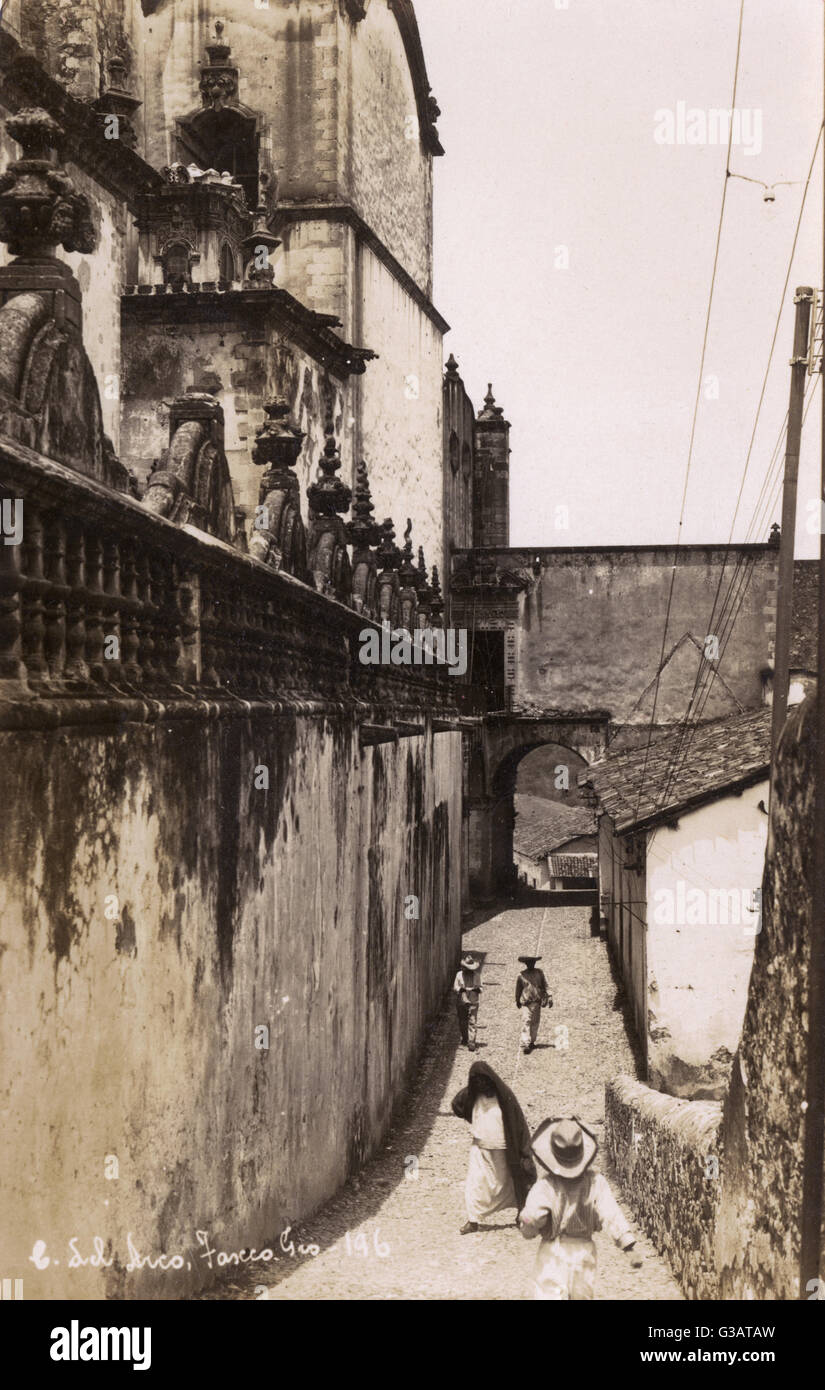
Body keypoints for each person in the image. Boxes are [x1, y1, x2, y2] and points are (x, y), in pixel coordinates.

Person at [518, 1116, 643, 1299]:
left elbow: (531, 1218)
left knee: (548, 1294)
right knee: (582, 1295)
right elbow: (610, 1213)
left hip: (553, 1251)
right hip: (584, 1251)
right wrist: (627, 1245)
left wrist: (527, 1224)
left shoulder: (545, 1186)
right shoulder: (595, 1182)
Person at [451, 1061, 537, 1235]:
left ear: (491, 1080)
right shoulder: (472, 1096)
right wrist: (471, 1117)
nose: (482, 1085)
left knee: (511, 1183)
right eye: (477, 1082)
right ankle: (473, 1220)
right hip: (480, 1149)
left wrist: (525, 1151)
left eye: (485, 1081)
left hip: (505, 1149)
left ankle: (522, 1214)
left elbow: (519, 1125)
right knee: (475, 1184)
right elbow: (457, 1104)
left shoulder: (505, 1097)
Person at [515, 955, 551, 1054]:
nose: (531, 964)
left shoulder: (539, 973)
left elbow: (545, 984)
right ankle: (525, 1043)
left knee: (535, 1022)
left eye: (533, 962)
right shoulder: (521, 975)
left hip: (537, 1002)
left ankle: (532, 1041)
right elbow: (518, 989)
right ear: (526, 964)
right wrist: (517, 1000)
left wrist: (549, 996)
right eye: (529, 963)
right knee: (526, 1021)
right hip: (526, 1003)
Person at [453, 952, 482, 1050]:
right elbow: (455, 987)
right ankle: (465, 1038)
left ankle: (471, 1042)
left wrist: (476, 989)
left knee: (472, 1021)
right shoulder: (459, 975)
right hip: (462, 1001)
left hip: (473, 1001)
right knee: (462, 1021)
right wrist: (461, 989)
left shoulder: (477, 976)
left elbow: (480, 988)